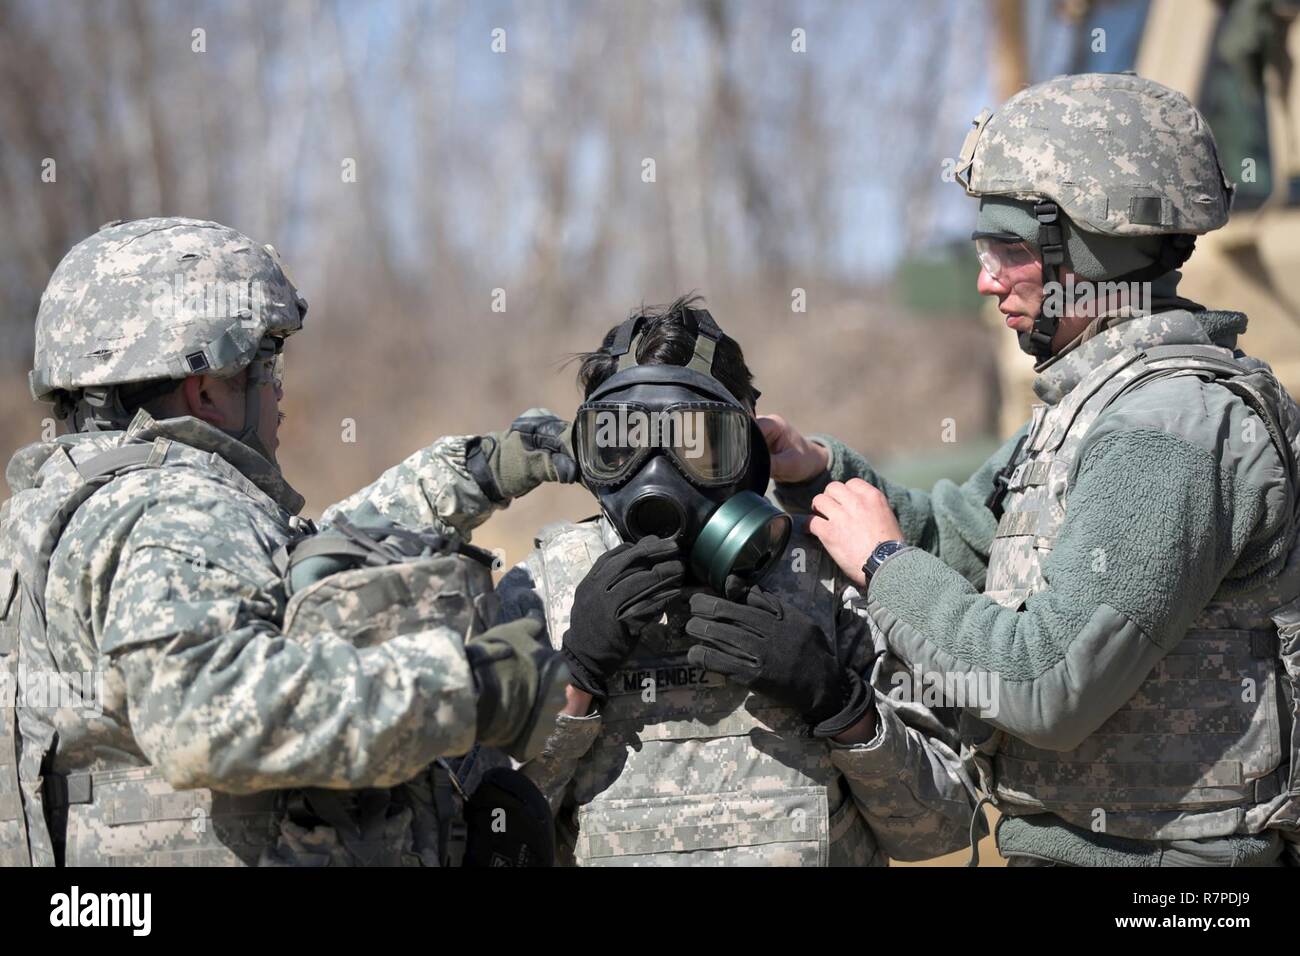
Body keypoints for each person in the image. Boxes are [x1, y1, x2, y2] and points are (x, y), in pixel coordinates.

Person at [766, 73, 1300, 866]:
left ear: (1091, 252)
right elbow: (968, 544)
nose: (985, 279)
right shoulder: (1094, 403)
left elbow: (1045, 684)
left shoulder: (1169, 430)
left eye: (1009, 250)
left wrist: (883, 565)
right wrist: (818, 475)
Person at [0, 216, 572, 867]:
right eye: (267, 365)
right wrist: (476, 690)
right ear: (208, 387)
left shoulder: (53, 516)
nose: (279, 395)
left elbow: (295, 558)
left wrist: (477, 471)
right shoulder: (176, 508)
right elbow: (204, 715)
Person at [495, 295, 978, 866]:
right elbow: (492, 840)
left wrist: (840, 704)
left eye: (698, 442)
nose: (656, 471)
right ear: (590, 452)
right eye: (622, 442)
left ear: (747, 450)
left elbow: (945, 825)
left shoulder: (829, 575)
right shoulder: (541, 589)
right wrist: (573, 683)